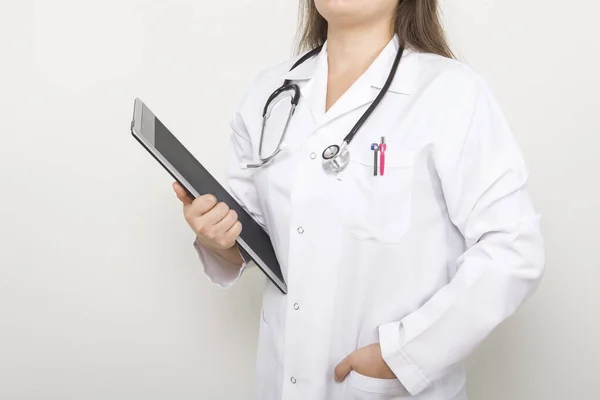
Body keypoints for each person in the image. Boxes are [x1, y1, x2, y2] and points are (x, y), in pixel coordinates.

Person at [173, 0, 545, 399]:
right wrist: (218, 241)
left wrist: (403, 356)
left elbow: (513, 250)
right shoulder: (269, 95)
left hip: (384, 385)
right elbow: (252, 242)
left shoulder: (452, 93)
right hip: (283, 380)